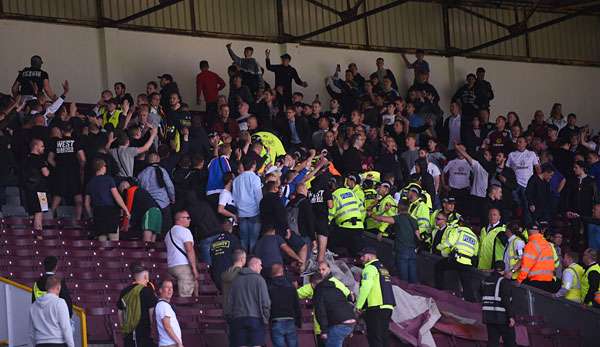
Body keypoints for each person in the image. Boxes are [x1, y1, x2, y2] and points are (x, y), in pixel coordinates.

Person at [224, 256, 271, 347]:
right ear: (255, 264)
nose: (261, 267)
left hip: (238, 319)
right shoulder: (259, 280)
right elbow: (265, 302)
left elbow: (229, 302)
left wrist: (230, 318)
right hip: (256, 319)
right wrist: (265, 318)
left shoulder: (235, 280)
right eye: (260, 265)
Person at [356, 247, 396, 347]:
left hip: (376, 306)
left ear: (370, 256)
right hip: (387, 306)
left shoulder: (369, 268)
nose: (361, 258)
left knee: (374, 338)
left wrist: (359, 306)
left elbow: (365, 287)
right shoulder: (383, 268)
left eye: (363, 255)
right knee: (383, 337)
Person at [370, 203, 419, 283]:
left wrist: (371, 215)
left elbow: (382, 219)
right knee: (413, 277)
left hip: (402, 249)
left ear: (398, 209)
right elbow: (418, 235)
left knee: (403, 278)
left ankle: (404, 293)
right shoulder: (414, 220)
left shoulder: (398, 218)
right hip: (412, 250)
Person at [84, 158, 130, 241]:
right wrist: (125, 209)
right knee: (114, 241)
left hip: (98, 212)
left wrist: (91, 216)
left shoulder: (90, 182)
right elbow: (117, 197)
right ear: (102, 167)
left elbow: (86, 204)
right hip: (110, 212)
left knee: (102, 243)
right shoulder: (108, 179)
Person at [435, 219, 479, 302]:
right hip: (467, 263)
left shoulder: (458, 230)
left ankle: (439, 291)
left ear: (461, 224)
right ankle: (471, 303)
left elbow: (449, 243)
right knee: (467, 284)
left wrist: (438, 247)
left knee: (439, 266)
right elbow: (475, 253)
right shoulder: (474, 237)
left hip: (456, 260)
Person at [118, 264, 158, 347]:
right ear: (146, 277)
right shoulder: (148, 291)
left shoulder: (124, 291)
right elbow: (152, 314)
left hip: (129, 333)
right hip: (144, 333)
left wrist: (124, 328)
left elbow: (120, 312)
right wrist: (153, 330)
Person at [313, 272, 357, 347]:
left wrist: (324, 331)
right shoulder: (337, 289)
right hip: (351, 322)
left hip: (339, 324)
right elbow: (346, 305)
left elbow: (320, 312)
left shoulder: (319, 291)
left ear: (313, 283)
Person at [29, 276, 74, 347]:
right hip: (58, 343)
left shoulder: (34, 306)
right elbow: (66, 328)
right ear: (58, 288)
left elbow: (31, 333)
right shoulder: (60, 302)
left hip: (40, 344)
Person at [137, 153, 175, 233]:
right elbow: (169, 186)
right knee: (166, 230)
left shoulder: (142, 173)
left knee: (152, 229)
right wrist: (172, 198)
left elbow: (142, 189)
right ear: (158, 159)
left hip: (150, 205)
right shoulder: (162, 170)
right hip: (163, 203)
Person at [481, 261, 516, 347]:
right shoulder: (503, 281)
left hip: (488, 317)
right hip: (502, 318)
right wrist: (511, 317)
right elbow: (506, 300)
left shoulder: (485, 281)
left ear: (494, 269)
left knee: (492, 342)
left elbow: (481, 294)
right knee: (510, 342)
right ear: (503, 270)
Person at [165, 210, 199, 297]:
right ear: (179, 219)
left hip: (171, 266)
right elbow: (189, 249)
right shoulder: (185, 231)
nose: (190, 220)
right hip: (182, 266)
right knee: (185, 296)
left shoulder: (168, 234)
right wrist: (194, 268)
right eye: (187, 218)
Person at [21, 138, 50, 238]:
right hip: (40, 190)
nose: (43, 148)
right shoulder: (39, 159)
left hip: (28, 190)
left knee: (32, 213)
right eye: (42, 146)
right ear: (36, 146)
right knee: (39, 212)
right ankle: (39, 237)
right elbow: (46, 173)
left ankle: (31, 236)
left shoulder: (26, 158)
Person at [328, 177, 364, 256]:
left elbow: (330, 214)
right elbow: (362, 209)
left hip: (345, 228)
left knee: (330, 246)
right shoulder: (352, 193)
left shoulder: (334, 195)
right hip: (359, 228)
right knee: (354, 256)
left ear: (333, 185)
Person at [233, 156, 263, 251]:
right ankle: (252, 262)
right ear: (253, 165)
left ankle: (242, 260)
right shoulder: (255, 178)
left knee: (243, 240)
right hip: (254, 212)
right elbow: (259, 197)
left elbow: (235, 197)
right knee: (253, 240)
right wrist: (262, 211)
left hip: (241, 213)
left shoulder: (236, 180)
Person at [268, 264, 302, 347]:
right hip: (290, 319)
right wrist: (298, 321)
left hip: (276, 320)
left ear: (271, 273)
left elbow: (267, 305)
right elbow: (296, 305)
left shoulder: (269, 288)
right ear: (282, 272)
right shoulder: (291, 287)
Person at [516, 223, 556, 292]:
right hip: (549, 282)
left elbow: (526, 267)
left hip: (536, 283)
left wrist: (518, 282)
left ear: (528, 231)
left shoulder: (531, 244)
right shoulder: (547, 244)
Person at [155, 280, 183, 347]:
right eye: (167, 287)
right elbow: (167, 326)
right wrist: (179, 342)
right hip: (169, 344)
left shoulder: (164, 305)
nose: (170, 290)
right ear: (161, 290)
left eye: (171, 287)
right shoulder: (163, 305)